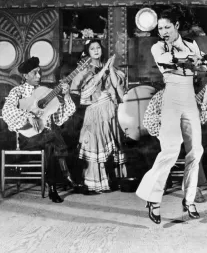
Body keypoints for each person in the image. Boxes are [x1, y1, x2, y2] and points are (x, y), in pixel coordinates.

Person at [135, 5, 207, 224]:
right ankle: (154, 199)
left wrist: (198, 61)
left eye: (167, 27)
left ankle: (189, 200)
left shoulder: (190, 44)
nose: (163, 31)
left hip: (189, 101)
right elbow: (169, 64)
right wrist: (193, 61)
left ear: (176, 25)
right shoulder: (157, 47)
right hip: (170, 101)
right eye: (160, 28)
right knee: (169, 151)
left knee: (196, 151)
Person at [2, 56, 78, 203]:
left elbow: (61, 115)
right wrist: (28, 116)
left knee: (50, 140)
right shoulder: (17, 91)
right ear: (25, 76)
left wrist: (67, 94)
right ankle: (66, 175)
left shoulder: (46, 91)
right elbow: (7, 111)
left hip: (46, 137)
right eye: (34, 73)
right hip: (27, 137)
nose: (38, 76)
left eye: (40, 72)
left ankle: (52, 188)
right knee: (53, 136)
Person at [71, 39, 127, 194]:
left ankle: (113, 181)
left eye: (98, 48)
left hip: (110, 111)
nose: (96, 50)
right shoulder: (84, 69)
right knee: (96, 146)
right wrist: (103, 71)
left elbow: (117, 85)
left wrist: (109, 67)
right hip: (95, 113)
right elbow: (86, 90)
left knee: (112, 146)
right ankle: (95, 183)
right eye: (92, 48)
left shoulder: (108, 66)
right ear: (88, 52)